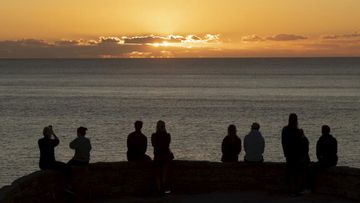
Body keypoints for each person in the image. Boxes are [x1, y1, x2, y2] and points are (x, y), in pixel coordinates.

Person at [281, 113, 310, 196]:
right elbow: (304, 143)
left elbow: (283, 142)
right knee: (298, 172)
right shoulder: (298, 131)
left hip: (289, 154)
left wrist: (285, 153)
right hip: (297, 155)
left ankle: (292, 190)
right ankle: (298, 189)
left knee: (291, 173)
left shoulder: (285, 130)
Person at [308, 125, 338, 192]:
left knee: (311, 168)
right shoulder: (333, 140)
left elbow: (318, 153)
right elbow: (335, 152)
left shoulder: (321, 140)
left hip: (327, 161)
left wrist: (322, 159)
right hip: (332, 161)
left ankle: (311, 187)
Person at [151, 120, 174, 194]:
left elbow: (153, 144)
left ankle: (158, 188)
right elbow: (167, 145)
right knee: (164, 173)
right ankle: (163, 187)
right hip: (165, 157)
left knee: (157, 174)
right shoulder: (167, 135)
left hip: (157, 157)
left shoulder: (154, 135)